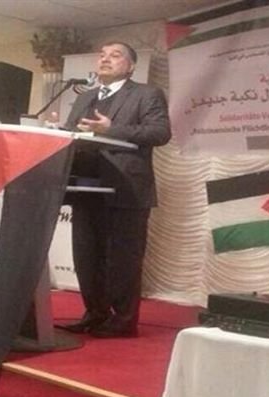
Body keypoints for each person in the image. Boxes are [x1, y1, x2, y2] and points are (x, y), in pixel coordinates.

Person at [60, 41, 171, 338]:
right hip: (86, 189)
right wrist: (57, 134)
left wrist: (111, 129)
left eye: (115, 55)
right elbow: (73, 135)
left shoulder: (147, 94)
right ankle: (95, 314)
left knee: (123, 259)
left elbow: (160, 133)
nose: (106, 59)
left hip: (126, 189)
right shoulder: (85, 97)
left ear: (131, 66)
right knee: (87, 257)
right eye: (102, 55)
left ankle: (123, 321)